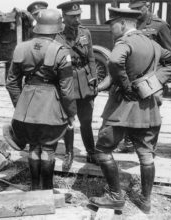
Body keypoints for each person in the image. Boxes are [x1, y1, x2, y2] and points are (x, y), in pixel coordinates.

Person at [88, 7, 171, 214]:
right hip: (147, 108)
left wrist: (127, 85)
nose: (111, 28)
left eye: (112, 24)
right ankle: (145, 201)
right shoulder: (152, 43)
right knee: (146, 155)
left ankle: (115, 196)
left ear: (122, 23)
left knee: (103, 150)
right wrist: (152, 82)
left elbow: (114, 61)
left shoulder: (124, 42)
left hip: (121, 109)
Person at [4, 9, 76, 190]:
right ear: (57, 29)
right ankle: (47, 189)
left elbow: (11, 82)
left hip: (26, 108)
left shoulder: (21, 48)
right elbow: (67, 89)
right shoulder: (61, 52)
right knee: (49, 149)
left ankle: (35, 187)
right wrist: (71, 114)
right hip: (50, 109)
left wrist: (20, 105)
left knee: (34, 147)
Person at [115, 0, 171, 153]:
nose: (136, 11)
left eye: (138, 8)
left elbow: (169, 55)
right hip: (133, 77)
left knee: (152, 113)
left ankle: (150, 147)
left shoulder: (159, 25)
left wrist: (169, 79)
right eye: (132, 9)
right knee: (129, 108)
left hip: (152, 79)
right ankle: (129, 143)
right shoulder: (131, 23)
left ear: (146, 6)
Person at [56, 0, 98, 169]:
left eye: (79, 15)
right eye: (73, 17)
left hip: (85, 81)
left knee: (86, 120)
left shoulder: (85, 32)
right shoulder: (57, 35)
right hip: (67, 81)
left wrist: (94, 79)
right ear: (64, 17)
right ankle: (69, 153)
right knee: (68, 120)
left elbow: (91, 57)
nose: (77, 19)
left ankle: (91, 151)